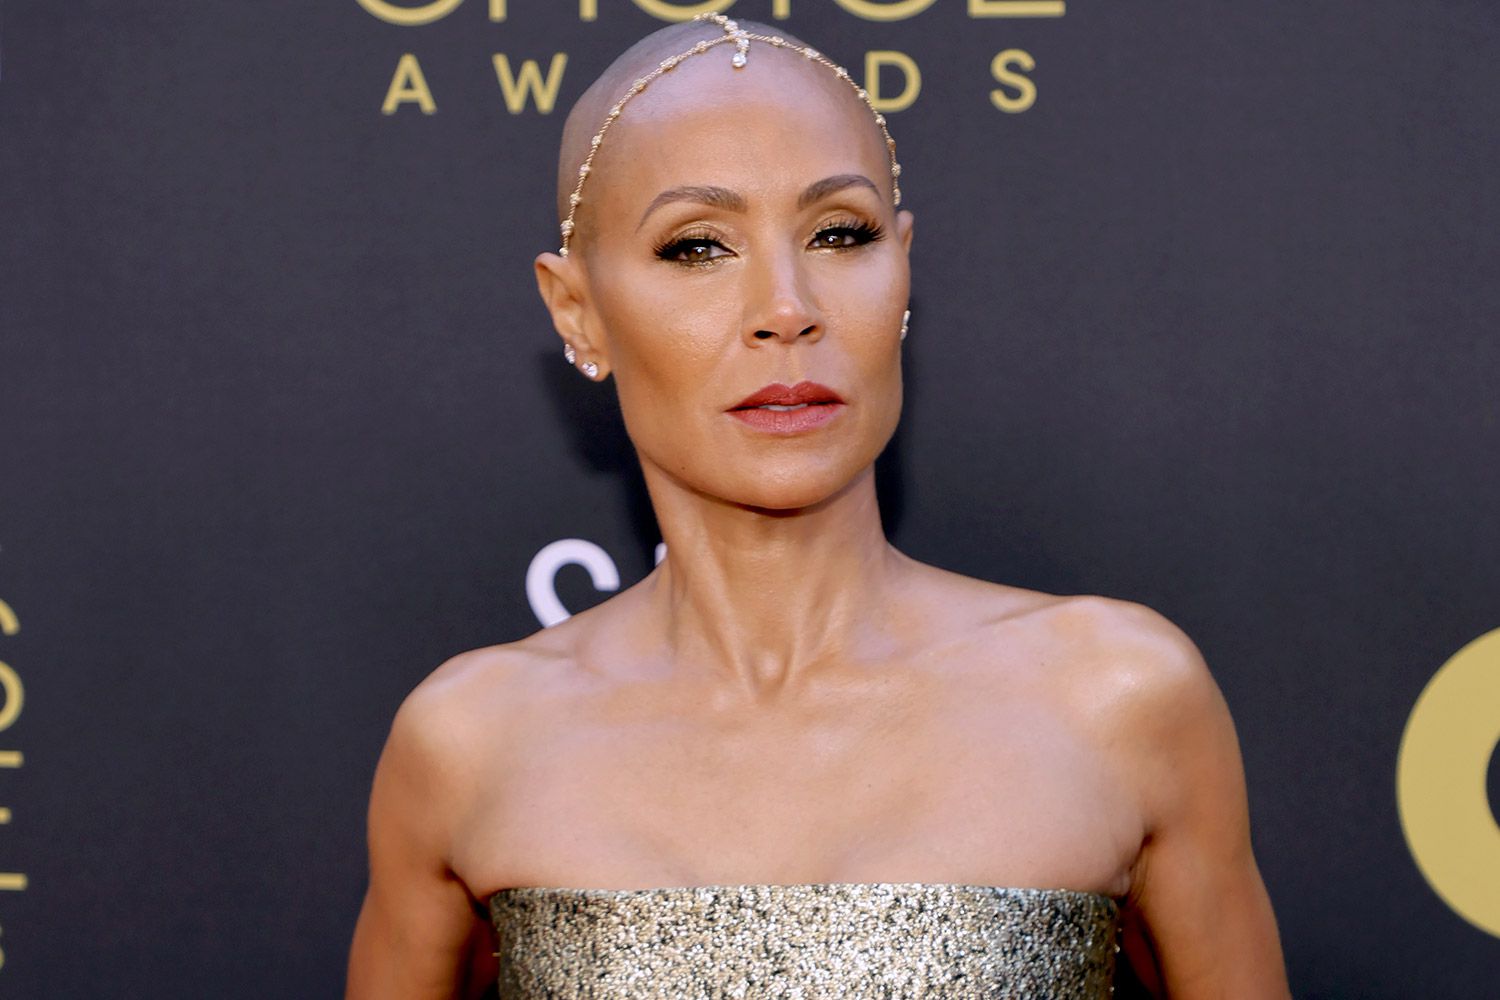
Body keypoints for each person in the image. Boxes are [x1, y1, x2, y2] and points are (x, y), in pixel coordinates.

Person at [347, 14, 1289, 999]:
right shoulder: (471, 746)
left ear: (904, 266)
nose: (787, 308)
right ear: (577, 310)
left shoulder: (1119, 701)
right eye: (697, 246)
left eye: (841, 234)